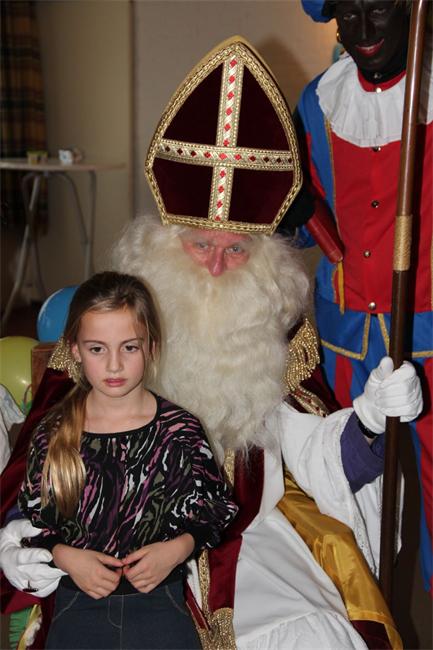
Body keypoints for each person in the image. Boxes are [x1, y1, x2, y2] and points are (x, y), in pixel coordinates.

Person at [0, 37, 424, 649]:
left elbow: (314, 452)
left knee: (313, 637)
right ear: (166, 239)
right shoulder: (117, 320)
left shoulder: (275, 323)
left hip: (248, 531)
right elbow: (48, 441)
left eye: (237, 249)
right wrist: (22, 537)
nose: (218, 266)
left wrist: (372, 422)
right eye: (200, 245)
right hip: (109, 535)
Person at [281, 0, 433, 594]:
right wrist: (291, 211)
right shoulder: (318, 102)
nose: (364, 30)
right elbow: (308, 223)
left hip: (428, 336)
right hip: (345, 339)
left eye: (379, 10)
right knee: (348, 485)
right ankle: (361, 612)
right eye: (349, 13)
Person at [16, 270, 238, 650]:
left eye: (129, 348)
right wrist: (65, 557)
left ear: (152, 347)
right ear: (75, 350)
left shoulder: (180, 430)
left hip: (162, 606)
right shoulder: (55, 432)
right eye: (97, 349)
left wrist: (178, 549)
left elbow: (216, 509)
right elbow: (35, 516)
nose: (114, 365)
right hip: (76, 606)